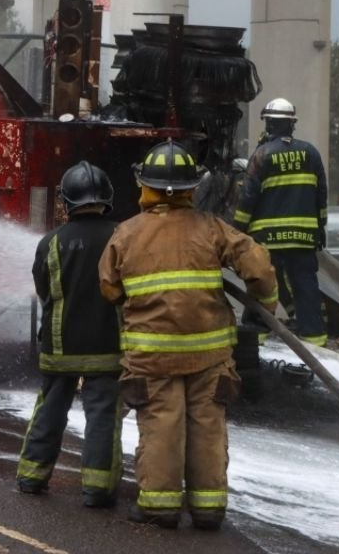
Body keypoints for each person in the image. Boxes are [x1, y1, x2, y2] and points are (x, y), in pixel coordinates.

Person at [100, 140, 277, 531]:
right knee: (207, 425)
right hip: (209, 354)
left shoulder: (126, 234)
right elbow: (260, 269)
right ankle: (208, 509)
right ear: (190, 189)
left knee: (162, 424)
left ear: (144, 185)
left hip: (152, 355)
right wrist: (269, 303)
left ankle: (160, 507)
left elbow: (109, 288)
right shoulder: (212, 228)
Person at [15, 162, 123, 508]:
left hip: (59, 346)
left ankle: (31, 477)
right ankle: (97, 489)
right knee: (102, 416)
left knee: (49, 410)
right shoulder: (122, 237)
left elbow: (43, 291)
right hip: (108, 347)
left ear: (67, 201)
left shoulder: (51, 242)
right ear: (106, 197)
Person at [232, 98, 329, 346]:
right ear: (292, 124)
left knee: (263, 283)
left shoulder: (262, 155)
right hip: (304, 236)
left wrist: (237, 231)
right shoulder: (311, 153)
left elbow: (248, 198)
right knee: (305, 284)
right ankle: (315, 338)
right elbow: (321, 195)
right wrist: (320, 228)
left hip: (268, 238)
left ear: (271, 124)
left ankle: (256, 336)